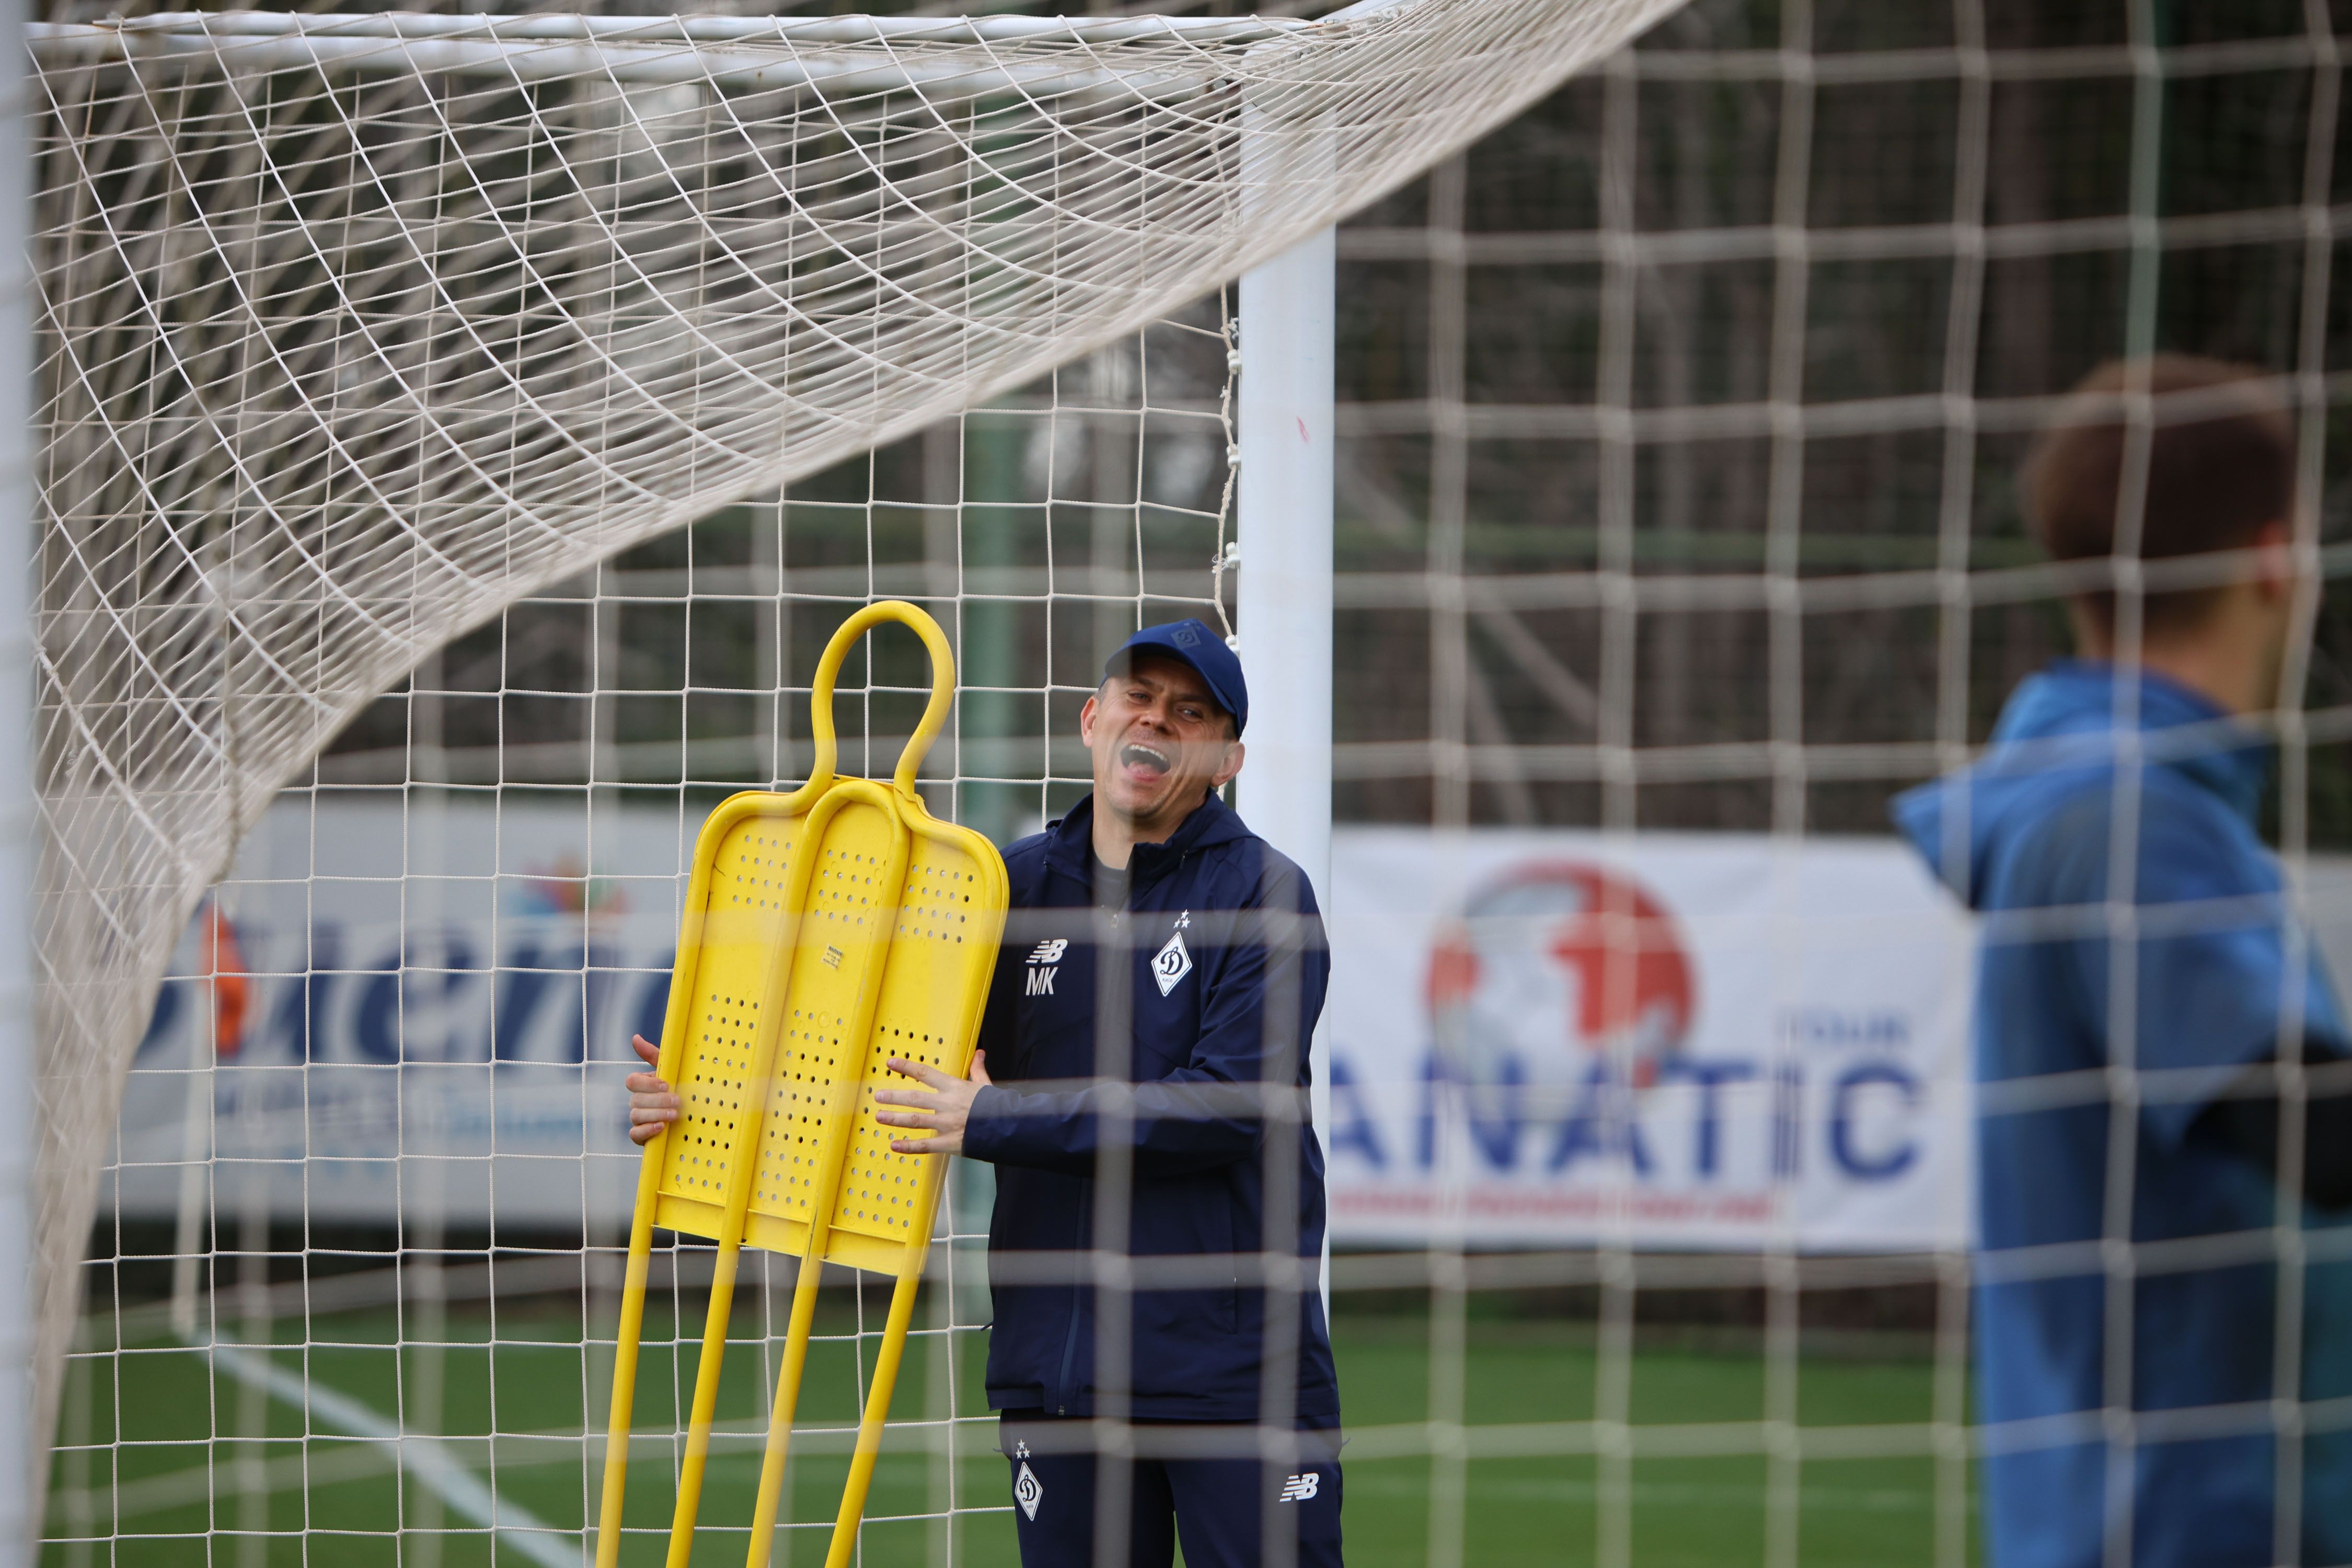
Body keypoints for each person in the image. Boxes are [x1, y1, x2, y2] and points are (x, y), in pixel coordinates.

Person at [628, 618, 1343, 1568]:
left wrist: (995, 1115)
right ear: (1091, 719)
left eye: (1189, 714)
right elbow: (867, 1060)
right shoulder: (1007, 887)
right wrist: (702, 1105)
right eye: (1138, 698)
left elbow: (1225, 1109)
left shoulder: (1265, 895)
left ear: (1226, 759)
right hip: (1058, 1377)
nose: (1155, 722)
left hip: (1233, 1378)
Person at [1892, 355, 2352, 1568]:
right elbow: (2311, 1125)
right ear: (2274, 560)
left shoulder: (2119, 801)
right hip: (2184, 1528)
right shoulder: (2125, 816)